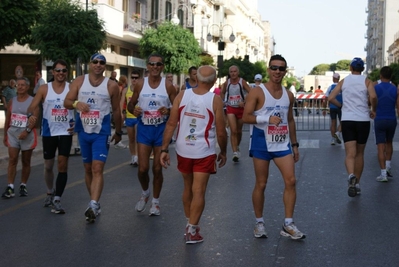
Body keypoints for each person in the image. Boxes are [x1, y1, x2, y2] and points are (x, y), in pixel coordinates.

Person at [160, 65, 227, 244]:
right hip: (203, 151)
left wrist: (164, 149)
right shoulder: (215, 100)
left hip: (183, 149)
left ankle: (189, 223)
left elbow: (171, 124)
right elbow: (221, 131)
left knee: (187, 187)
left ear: (196, 78)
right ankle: (192, 229)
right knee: (199, 191)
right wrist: (224, 152)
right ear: (213, 81)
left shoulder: (182, 95)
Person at [242, 54, 305, 240]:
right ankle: (259, 222)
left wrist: (294, 145)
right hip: (261, 141)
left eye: (281, 68)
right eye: (274, 68)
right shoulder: (257, 92)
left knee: (291, 181)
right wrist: (266, 119)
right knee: (261, 183)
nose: (278, 71)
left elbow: (290, 121)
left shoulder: (289, 95)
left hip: (281, 142)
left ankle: (288, 224)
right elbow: (245, 117)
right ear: (269, 70)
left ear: (285, 72)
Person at [64, 53, 122, 222]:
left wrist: (118, 132)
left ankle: (94, 204)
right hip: (83, 131)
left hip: (101, 132)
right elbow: (67, 102)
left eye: (101, 62)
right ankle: (94, 202)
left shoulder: (111, 85)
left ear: (105, 66)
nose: (98, 65)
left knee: (97, 168)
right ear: (90, 64)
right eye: (95, 62)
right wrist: (76, 104)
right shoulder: (79, 82)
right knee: (88, 168)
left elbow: (117, 111)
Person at [127, 53, 177, 216]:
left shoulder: (168, 85)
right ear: (147, 66)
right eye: (152, 64)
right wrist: (133, 109)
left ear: (162, 67)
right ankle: (145, 192)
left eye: (158, 64)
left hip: (161, 130)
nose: (155, 67)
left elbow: (177, 108)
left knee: (157, 169)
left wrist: (169, 110)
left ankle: (155, 202)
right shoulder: (140, 84)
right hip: (144, 129)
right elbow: (130, 104)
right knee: (142, 169)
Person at [27, 59, 74, 213]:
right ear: (53, 72)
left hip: (66, 132)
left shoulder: (72, 88)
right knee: (48, 166)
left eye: (64, 71)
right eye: (58, 70)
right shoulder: (44, 89)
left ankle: (57, 198)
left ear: (67, 72)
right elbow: (32, 106)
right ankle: (49, 192)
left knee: (62, 165)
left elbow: (81, 107)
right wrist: (31, 116)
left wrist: (77, 123)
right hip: (49, 132)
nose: (61, 73)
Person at [328, 57, 377, 197]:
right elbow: (373, 96)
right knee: (360, 153)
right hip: (363, 120)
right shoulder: (367, 81)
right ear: (362, 69)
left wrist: (341, 106)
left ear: (350, 68)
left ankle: (350, 175)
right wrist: (373, 109)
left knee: (350, 154)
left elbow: (331, 98)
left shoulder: (344, 81)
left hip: (348, 120)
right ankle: (357, 183)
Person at [2, 77, 39, 199]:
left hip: (27, 134)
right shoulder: (12, 101)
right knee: (12, 159)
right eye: (18, 85)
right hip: (13, 133)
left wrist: (27, 131)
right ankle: (10, 186)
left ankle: (23, 184)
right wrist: (5, 134)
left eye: (23, 85)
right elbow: (8, 117)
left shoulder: (33, 101)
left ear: (28, 87)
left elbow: (35, 119)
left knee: (25, 161)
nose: (21, 87)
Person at [220, 65, 251, 162]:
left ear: (238, 72)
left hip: (241, 109)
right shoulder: (227, 83)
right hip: (230, 108)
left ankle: (237, 146)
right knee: (233, 130)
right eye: (231, 72)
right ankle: (235, 152)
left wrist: (245, 102)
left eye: (235, 71)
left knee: (238, 131)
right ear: (229, 73)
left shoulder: (242, 82)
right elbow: (222, 92)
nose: (233, 73)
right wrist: (224, 101)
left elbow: (251, 93)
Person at [373, 66, 399, 182]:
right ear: (391, 76)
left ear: (380, 76)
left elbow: (371, 100)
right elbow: (398, 105)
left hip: (379, 119)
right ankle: (388, 167)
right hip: (392, 119)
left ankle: (383, 174)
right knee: (389, 143)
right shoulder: (395, 88)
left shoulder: (376, 88)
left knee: (380, 146)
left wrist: (373, 109)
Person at [120, 71, 139, 165]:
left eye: (136, 78)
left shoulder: (141, 90)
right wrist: (121, 113)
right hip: (129, 117)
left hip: (138, 118)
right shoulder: (125, 90)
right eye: (132, 77)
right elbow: (122, 102)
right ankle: (133, 156)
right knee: (131, 139)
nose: (134, 79)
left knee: (136, 138)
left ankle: (137, 157)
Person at [323, 73, 342, 145]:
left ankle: (333, 139)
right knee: (342, 122)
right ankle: (338, 132)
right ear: (338, 78)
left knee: (333, 123)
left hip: (332, 107)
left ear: (333, 78)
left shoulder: (330, 87)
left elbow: (326, 98)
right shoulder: (342, 87)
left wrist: (324, 108)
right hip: (341, 107)